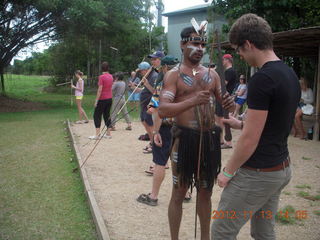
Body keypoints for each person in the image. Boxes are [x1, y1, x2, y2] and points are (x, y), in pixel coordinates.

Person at [211, 13, 300, 240]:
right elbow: (275, 123)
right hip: (281, 168)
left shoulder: (263, 79)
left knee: (221, 230)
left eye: (240, 49)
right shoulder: (289, 74)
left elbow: (250, 139)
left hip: (258, 173)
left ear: (249, 44)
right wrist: (240, 123)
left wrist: (228, 171)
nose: (240, 54)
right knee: (263, 232)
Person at [158, 26, 234, 240]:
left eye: (202, 44)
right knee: (179, 193)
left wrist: (230, 104)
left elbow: (228, 106)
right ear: (183, 44)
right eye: (194, 43)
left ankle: (205, 238)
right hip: (184, 140)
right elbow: (163, 109)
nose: (200, 48)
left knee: (205, 192)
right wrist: (193, 100)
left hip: (209, 139)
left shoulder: (213, 75)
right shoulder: (174, 75)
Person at [137, 55, 179, 206]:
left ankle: (153, 196)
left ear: (165, 68)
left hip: (165, 128)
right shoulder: (185, 86)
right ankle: (185, 193)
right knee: (178, 162)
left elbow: (155, 110)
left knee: (160, 162)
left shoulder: (163, 85)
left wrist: (155, 132)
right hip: (182, 128)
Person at [217, 54, 237, 149]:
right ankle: (221, 140)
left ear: (227, 60)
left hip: (225, 98)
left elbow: (223, 85)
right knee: (219, 118)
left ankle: (227, 141)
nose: (222, 61)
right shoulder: (228, 71)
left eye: (223, 60)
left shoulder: (230, 71)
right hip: (223, 98)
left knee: (223, 119)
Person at [89, 62, 113, 140]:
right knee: (107, 115)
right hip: (109, 99)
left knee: (96, 115)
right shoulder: (111, 76)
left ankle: (97, 134)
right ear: (108, 68)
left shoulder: (101, 77)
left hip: (102, 99)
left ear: (101, 68)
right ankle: (108, 134)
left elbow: (100, 90)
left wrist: (96, 101)